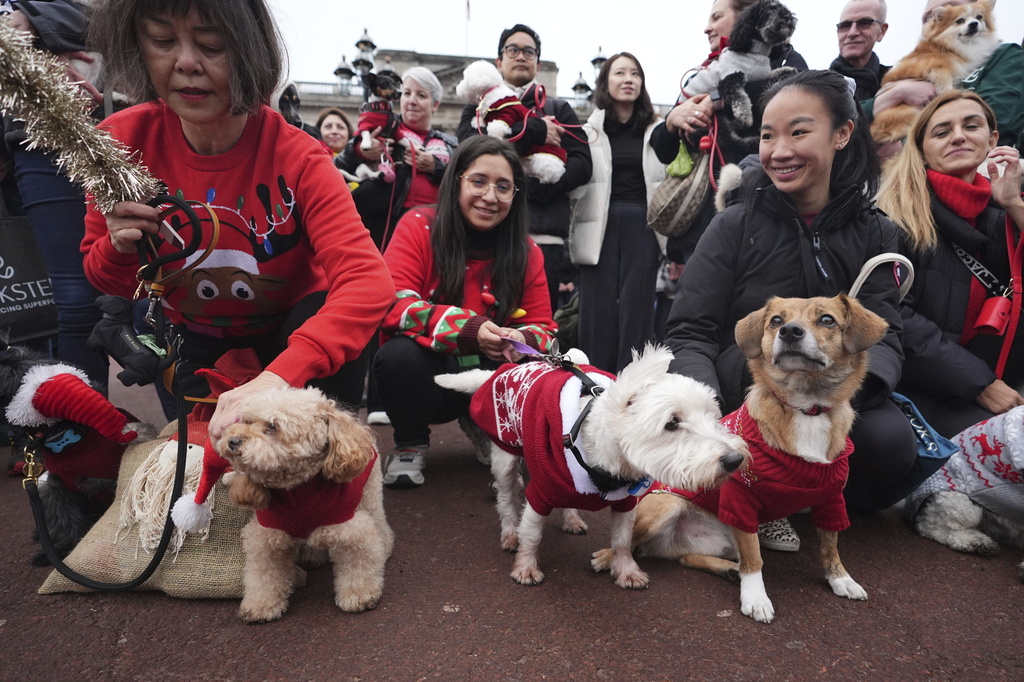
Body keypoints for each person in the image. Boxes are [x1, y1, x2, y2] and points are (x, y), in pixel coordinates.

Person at [80, 0, 392, 443]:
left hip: (292, 338)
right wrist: (118, 245)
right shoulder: (117, 143)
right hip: (187, 343)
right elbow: (103, 278)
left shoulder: (302, 159)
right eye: (163, 41)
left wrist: (280, 377)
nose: (186, 63)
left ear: (250, 51)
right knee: (198, 481)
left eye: (212, 44)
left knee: (298, 483)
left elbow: (368, 282)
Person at [664, 70, 921, 542]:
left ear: (843, 133)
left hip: (835, 392)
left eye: (798, 132)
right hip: (743, 388)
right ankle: (759, 493)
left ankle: (807, 497)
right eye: (767, 135)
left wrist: (841, 401)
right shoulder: (733, 225)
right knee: (756, 373)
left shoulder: (876, 232)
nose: (779, 150)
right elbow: (689, 331)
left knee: (890, 445)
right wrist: (707, 417)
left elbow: (887, 333)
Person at [374, 136, 557, 489]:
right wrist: (468, 330)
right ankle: (410, 440)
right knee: (397, 355)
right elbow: (391, 304)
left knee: (539, 363)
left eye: (503, 187)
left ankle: (492, 427)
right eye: (478, 181)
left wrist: (520, 338)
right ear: (456, 180)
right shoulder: (417, 225)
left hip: (490, 380)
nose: (490, 196)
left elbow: (545, 330)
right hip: (430, 377)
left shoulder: (527, 251)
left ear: (515, 196)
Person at [876, 90, 1024, 437]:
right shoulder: (894, 216)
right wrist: (981, 384)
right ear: (922, 148)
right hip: (926, 388)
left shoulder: (1005, 209)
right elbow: (893, 316)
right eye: (942, 132)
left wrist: (1014, 204)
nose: (958, 135)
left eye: (970, 126)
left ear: (993, 140)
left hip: (1002, 376)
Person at [3, 1, 109, 390]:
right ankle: (87, 434)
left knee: (161, 298)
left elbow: (135, 17)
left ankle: (188, 434)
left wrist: (33, 23)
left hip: (126, 119)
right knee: (76, 303)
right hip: (36, 139)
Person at [651, 0, 807, 263]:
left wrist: (715, 99)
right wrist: (670, 121)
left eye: (716, 18)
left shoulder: (786, 59)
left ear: (746, 17)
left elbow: (795, 95)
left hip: (766, 214)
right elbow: (662, 151)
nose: (707, 28)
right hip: (704, 224)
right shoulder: (705, 71)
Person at [457, 24, 593, 312]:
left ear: (537, 63)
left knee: (536, 321)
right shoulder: (478, 105)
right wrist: (532, 128)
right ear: (499, 61)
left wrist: (533, 189)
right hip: (485, 235)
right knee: (482, 317)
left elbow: (582, 165)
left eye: (528, 51)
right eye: (513, 50)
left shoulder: (558, 108)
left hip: (543, 234)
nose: (521, 56)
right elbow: (469, 152)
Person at [570, 52, 666, 373]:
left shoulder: (658, 130)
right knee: (595, 309)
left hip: (645, 222)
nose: (628, 79)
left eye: (635, 74)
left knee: (637, 308)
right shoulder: (588, 130)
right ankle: (594, 382)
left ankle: (633, 383)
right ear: (605, 82)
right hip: (598, 224)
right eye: (620, 73)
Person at [865, 0, 1024, 152]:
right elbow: (855, 114)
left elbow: (997, 121)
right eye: (929, 17)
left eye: (953, 8)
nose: (935, 20)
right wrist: (896, 93)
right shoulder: (910, 65)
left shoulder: (1005, 56)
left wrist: (907, 145)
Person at [337, 66, 455, 251]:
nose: (412, 101)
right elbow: (337, 167)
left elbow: (465, 181)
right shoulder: (381, 128)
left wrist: (436, 167)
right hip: (390, 230)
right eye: (407, 93)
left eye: (421, 95)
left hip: (440, 230)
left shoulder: (450, 143)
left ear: (435, 104)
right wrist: (360, 151)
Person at [830, 0, 891, 101]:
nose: (852, 33)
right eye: (846, 25)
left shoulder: (897, 83)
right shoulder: (817, 86)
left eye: (864, 23)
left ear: (882, 31)